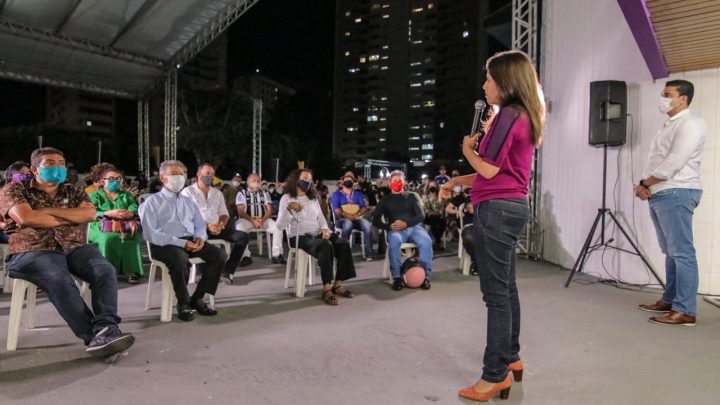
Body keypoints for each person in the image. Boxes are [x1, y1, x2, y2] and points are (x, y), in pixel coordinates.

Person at [449, 50, 545, 401]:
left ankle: (494, 375)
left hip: (498, 210)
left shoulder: (507, 114)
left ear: (505, 81)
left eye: (489, 78)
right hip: (510, 205)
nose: (484, 84)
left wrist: (467, 150)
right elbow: (496, 172)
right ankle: (512, 358)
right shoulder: (522, 115)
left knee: (496, 295)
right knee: (507, 289)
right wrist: (457, 179)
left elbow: (488, 170)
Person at [0, 147, 135, 358]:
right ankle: (96, 336)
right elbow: (26, 218)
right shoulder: (14, 189)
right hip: (33, 250)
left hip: (73, 247)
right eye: (50, 163)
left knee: (104, 270)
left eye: (61, 163)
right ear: (35, 169)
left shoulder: (73, 190)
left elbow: (89, 214)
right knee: (58, 277)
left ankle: (106, 328)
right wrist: (71, 217)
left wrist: (46, 212)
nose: (58, 167)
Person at [635, 79, 705, 327]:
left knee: (683, 252)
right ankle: (671, 300)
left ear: (683, 98)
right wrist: (648, 186)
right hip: (662, 192)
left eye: (667, 94)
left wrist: (645, 182)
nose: (662, 98)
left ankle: (685, 310)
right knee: (671, 252)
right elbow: (659, 159)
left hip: (677, 192)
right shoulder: (669, 125)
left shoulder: (690, 124)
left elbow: (674, 162)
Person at [139, 160, 225, 322]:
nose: (180, 177)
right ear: (163, 178)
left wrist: (200, 237)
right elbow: (151, 234)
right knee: (180, 260)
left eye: (182, 174)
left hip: (189, 240)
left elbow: (199, 224)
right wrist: (182, 243)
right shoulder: (152, 203)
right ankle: (183, 303)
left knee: (219, 256)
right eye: (175, 174)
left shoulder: (187, 202)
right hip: (163, 243)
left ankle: (197, 298)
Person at [276, 169, 357, 306]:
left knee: (342, 244)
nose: (307, 182)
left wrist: (325, 229)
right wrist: (289, 209)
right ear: (296, 179)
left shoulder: (312, 198)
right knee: (325, 246)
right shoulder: (287, 198)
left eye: (309, 180)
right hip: (299, 236)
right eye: (304, 178)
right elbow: (279, 226)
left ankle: (338, 284)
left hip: (317, 233)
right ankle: (327, 288)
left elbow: (321, 219)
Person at [181, 163, 250, 285]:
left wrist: (221, 225)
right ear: (198, 174)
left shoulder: (217, 193)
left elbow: (224, 213)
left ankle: (228, 271)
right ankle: (200, 272)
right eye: (207, 173)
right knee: (199, 239)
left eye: (212, 174)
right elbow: (187, 217)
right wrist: (207, 226)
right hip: (197, 231)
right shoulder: (188, 192)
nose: (210, 176)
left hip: (217, 229)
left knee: (243, 237)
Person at [372, 170, 433, 291]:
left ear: (404, 182)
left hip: (414, 228)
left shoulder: (411, 196)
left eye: (400, 181)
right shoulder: (385, 200)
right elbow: (376, 221)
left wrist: (406, 223)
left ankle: (426, 277)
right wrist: (389, 226)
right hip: (396, 230)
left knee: (426, 241)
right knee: (394, 241)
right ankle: (396, 278)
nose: (397, 183)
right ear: (390, 183)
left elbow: (421, 216)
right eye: (395, 181)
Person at [87, 163, 144, 284]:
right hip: (99, 225)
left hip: (122, 225)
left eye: (118, 179)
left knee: (132, 237)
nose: (116, 181)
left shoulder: (126, 195)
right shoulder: (94, 195)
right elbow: (90, 212)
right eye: (111, 179)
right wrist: (108, 212)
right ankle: (106, 272)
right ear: (103, 181)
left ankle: (133, 272)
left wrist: (129, 213)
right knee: (108, 238)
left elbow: (134, 207)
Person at [235, 173, 285, 264]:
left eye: (258, 181)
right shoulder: (241, 193)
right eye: (254, 181)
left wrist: (262, 221)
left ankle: (277, 255)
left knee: (278, 227)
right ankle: (245, 256)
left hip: (263, 220)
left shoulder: (265, 193)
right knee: (239, 227)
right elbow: (240, 212)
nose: (257, 183)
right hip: (247, 220)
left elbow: (269, 210)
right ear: (248, 182)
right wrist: (253, 221)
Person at [330, 173, 373, 260]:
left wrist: (358, 214)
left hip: (356, 218)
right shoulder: (336, 194)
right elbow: (336, 210)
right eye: (346, 180)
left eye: (350, 180)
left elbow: (363, 207)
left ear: (353, 183)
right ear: (342, 182)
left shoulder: (358, 194)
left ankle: (369, 253)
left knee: (367, 225)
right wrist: (346, 215)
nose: (348, 181)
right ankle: (343, 252)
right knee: (348, 223)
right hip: (342, 219)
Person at [1, 162, 33, 244]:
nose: (26, 176)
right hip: (9, 231)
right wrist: (5, 225)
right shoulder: (4, 191)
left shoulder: (31, 192)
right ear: (11, 175)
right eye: (21, 172)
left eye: (28, 173)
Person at [421, 180, 445, 250]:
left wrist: (438, 212)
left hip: (438, 216)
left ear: (437, 187)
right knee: (433, 220)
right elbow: (424, 208)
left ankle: (437, 241)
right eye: (430, 186)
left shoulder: (439, 196)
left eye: (434, 186)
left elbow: (442, 208)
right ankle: (438, 242)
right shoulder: (424, 196)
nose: (432, 187)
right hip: (428, 217)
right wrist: (431, 213)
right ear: (428, 187)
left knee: (443, 223)